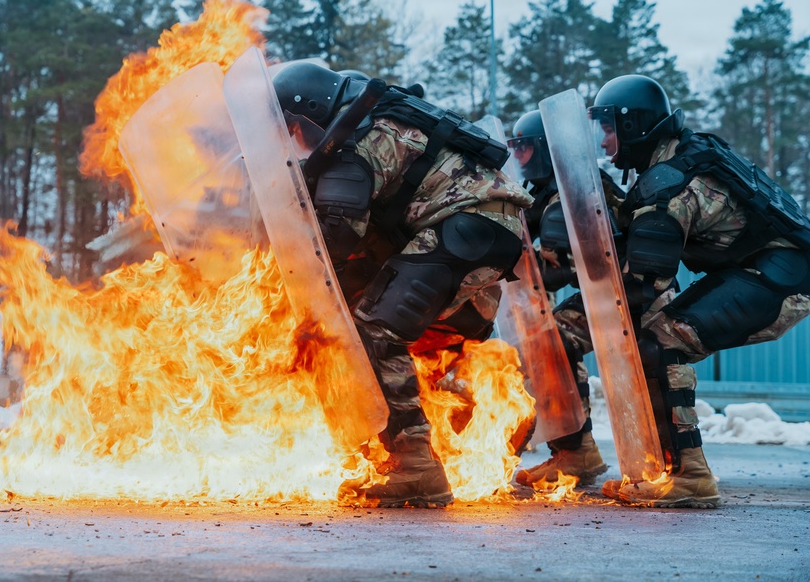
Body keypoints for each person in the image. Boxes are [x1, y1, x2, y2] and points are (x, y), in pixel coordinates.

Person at [273, 63, 534, 508]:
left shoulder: (353, 148)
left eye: (291, 128)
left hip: (468, 225)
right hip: (481, 229)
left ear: (309, 114)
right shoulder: (375, 128)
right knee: (367, 318)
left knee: (373, 330)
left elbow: (332, 244)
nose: (291, 140)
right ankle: (465, 416)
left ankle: (417, 467)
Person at [585, 74, 810, 508]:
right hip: (760, 267)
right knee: (654, 337)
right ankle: (663, 470)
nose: (604, 140)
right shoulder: (675, 161)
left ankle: (691, 476)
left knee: (662, 342)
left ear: (634, 127)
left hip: (783, 277)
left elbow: (645, 285)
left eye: (609, 127)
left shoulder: (666, 187)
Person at [505, 109, 625, 488]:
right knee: (547, 338)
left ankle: (576, 452)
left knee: (551, 341)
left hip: (630, 293)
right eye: (515, 148)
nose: (519, 157)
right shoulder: (550, 191)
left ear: (542, 150)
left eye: (524, 148)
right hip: (613, 290)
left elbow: (565, 264)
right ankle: (573, 450)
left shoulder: (572, 188)